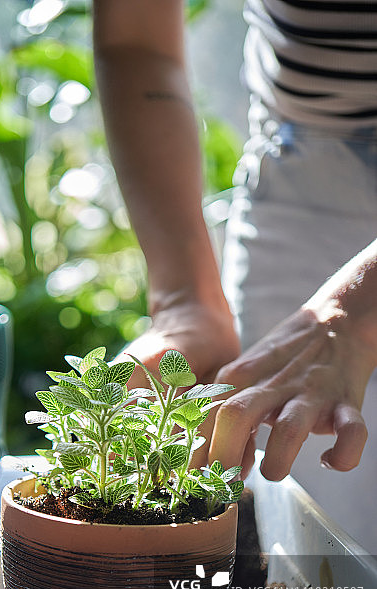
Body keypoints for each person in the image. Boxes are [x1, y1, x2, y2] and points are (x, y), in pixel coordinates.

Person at [92, 0, 377, 550]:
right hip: (308, 176)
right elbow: (137, 41)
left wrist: (356, 313)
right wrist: (185, 300)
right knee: (323, 560)